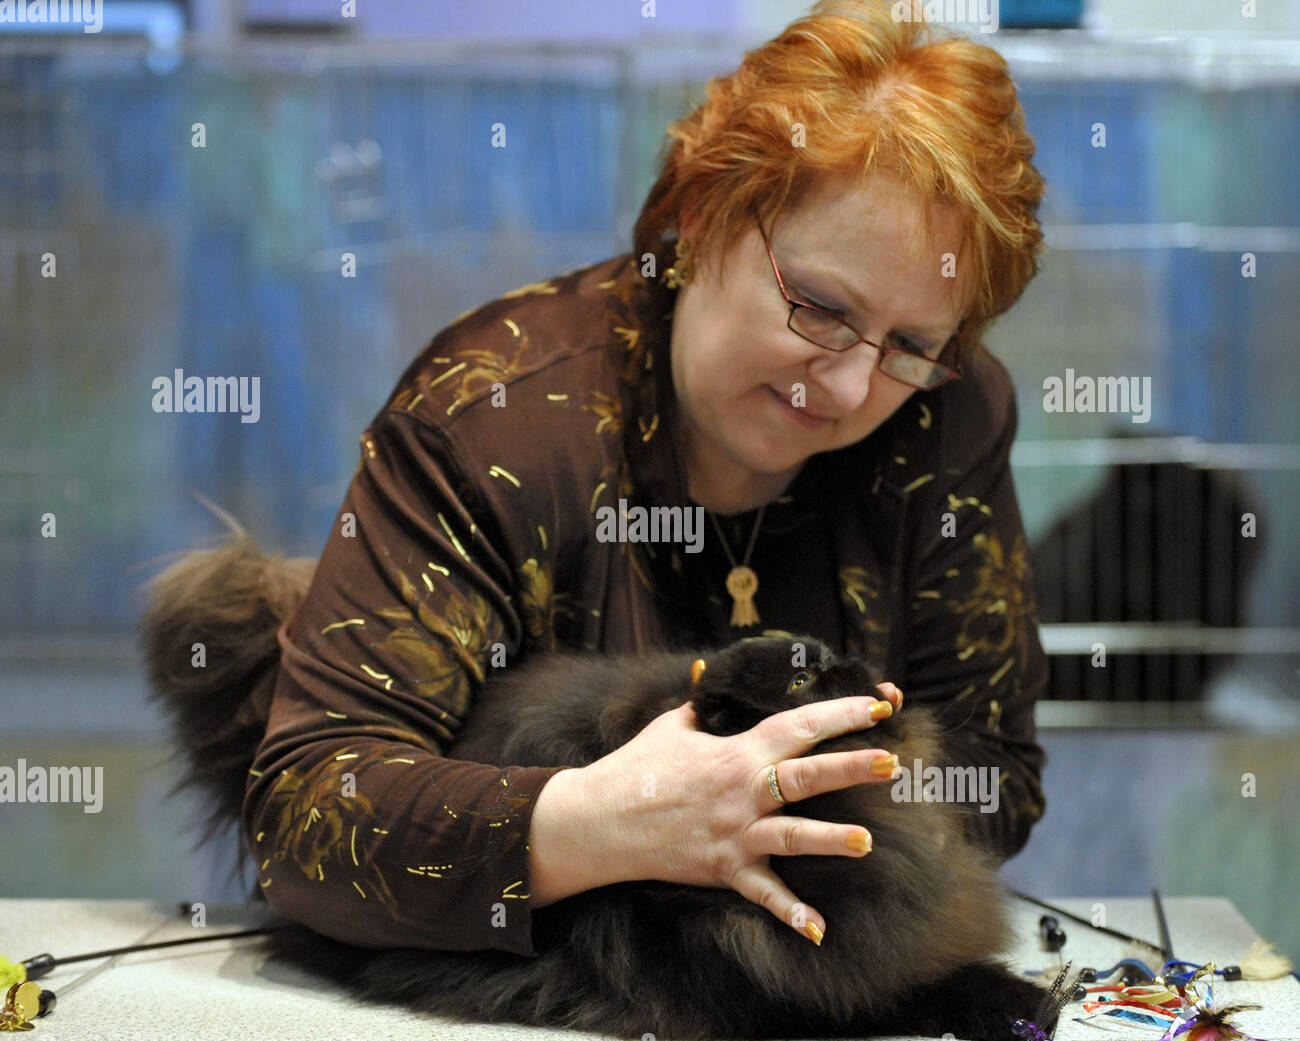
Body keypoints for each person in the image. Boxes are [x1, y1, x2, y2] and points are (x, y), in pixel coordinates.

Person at [235, 0, 1049, 959]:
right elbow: (304, 815)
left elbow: (994, 776)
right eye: (820, 308)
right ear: (703, 217)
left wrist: (787, 814)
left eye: (913, 343)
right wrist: (605, 822)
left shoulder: (946, 413)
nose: (849, 383)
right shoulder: (491, 423)